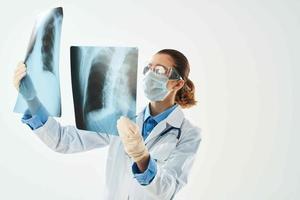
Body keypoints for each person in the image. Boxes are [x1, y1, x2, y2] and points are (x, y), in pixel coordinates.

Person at [13, 49, 202, 200]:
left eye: (159, 70)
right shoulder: (122, 118)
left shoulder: (188, 135)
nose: (150, 74)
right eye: (148, 68)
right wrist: (32, 100)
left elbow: (167, 191)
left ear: (177, 84)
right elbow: (64, 141)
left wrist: (142, 157)